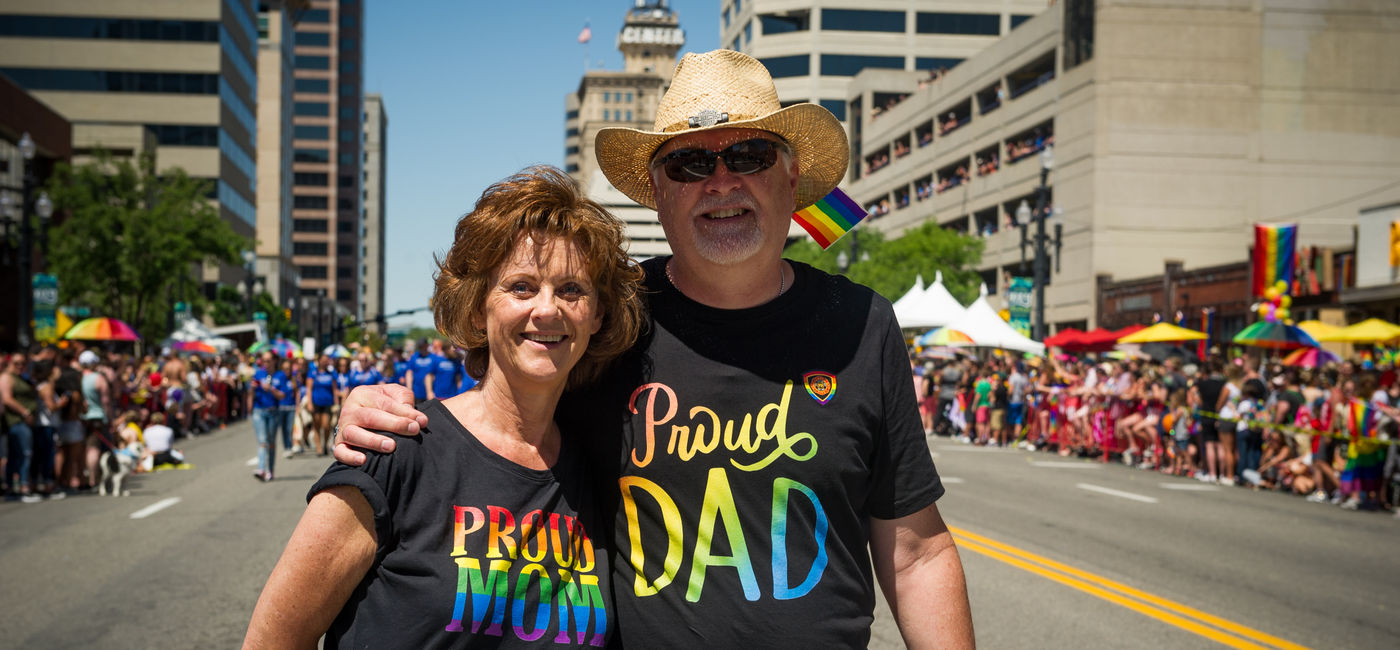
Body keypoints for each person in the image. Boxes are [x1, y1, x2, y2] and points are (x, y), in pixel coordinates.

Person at [331, 49, 973, 647]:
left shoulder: (863, 323)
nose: (721, 181)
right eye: (690, 163)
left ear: (792, 172)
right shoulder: (606, 318)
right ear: (659, 192)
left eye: (749, 154)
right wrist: (378, 413)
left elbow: (917, 552)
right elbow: (496, 403)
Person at [245, 165, 644, 647]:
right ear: (478, 307)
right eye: (521, 286)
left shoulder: (602, 467)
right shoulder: (395, 448)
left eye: (571, 290)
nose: (547, 309)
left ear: (598, 315)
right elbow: (273, 640)